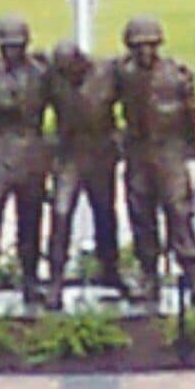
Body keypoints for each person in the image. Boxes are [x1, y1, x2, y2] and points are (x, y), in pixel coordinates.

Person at [110, 14, 195, 297]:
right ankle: (148, 275)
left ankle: (192, 274)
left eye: (150, 45)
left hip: (169, 151)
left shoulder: (177, 74)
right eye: (138, 46)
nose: (145, 51)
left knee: (179, 212)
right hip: (138, 152)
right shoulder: (123, 74)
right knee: (140, 213)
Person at [0, 13, 54, 297]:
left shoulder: (41, 74)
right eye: (7, 46)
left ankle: (30, 279)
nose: (12, 51)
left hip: (31, 156)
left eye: (17, 46)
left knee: (31, 221)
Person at [42, 39, 123, 298]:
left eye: (71, 70)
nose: (67, 76)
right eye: (62, 71)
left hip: (100, 153)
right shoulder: (53, 75)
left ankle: (110, 269)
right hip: (69, 155)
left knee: (105, 214)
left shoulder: (109, 72)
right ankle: (55, 277)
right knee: (61, 212)